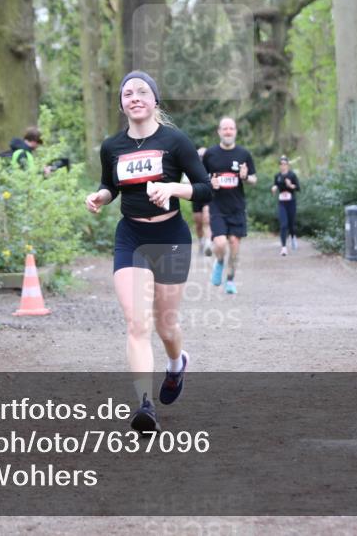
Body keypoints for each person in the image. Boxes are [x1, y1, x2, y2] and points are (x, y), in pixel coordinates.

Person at [84, 71, 213, 434]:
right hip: (132, 236)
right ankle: (145, 405)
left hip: (170, 234)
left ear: (155, 100)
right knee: (136, 323)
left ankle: (176, 363)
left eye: (142, 92)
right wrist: (100, 197)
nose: (135, 97)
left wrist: (173, 188)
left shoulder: (175, 141)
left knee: (165, 323)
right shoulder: (112, 147)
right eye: (127, 93)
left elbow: (205, 189)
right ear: (122, 103)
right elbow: (110, 185)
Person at [202, 117, 256, 295]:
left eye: (231, 128)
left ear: (235, 132)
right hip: (217, 206)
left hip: (237, 207)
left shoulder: (243, 154)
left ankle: (231, 280)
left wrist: (245, 177)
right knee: (220, 243)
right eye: (224, 128)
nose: (228, 132)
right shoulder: (210, 154)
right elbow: (200, 178)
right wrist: (210, 182)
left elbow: (254, 180)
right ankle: (219, 262)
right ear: (219, 131)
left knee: (234, 245)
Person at [272, 155, 300, 256]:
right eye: (281, 164)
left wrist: (290, 185)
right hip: (282, 203)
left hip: (291, 202)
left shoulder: (292, 175)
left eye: (285, 164)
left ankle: (293, 237)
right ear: (279, 166)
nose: (283, 166)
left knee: (291, 224)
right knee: (283, 224)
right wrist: (274, 188)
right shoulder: (277, 176)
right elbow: (276, 185)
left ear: (288, 165)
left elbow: (298, 188)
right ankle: (283, 248)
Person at [191, 146, 213, 256]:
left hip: (208, 196)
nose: (202, 157)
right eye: (199, 155)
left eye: (204, 155)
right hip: (196, 196)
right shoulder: (192, 167)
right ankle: (201, 242)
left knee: (206, 219)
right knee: (198, 223)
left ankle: (208, 244)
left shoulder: (212, 166)